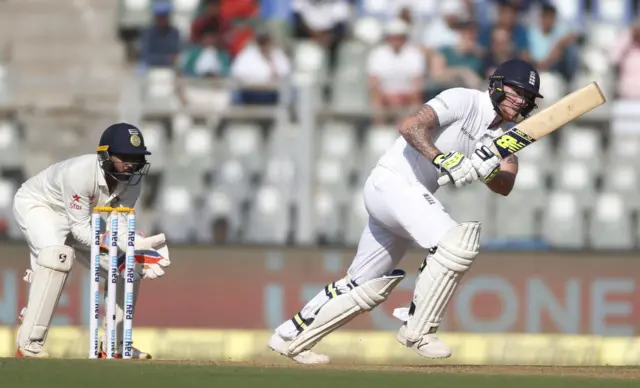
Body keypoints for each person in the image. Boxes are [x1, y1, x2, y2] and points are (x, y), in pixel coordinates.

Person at [267, 58, 543, 364]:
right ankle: (418, 329)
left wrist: (489, 171)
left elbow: (505, 184)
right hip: (392, 183)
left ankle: (290, 336)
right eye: (516, 92)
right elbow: (410, 126)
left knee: (362, 286)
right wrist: (443, 159)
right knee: (457, 243)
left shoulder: (506, 136)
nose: (520, 102)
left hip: (408, 198)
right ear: (497, 85)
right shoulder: (463, 99)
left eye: (527, 98)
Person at [12, 123, 171, 358]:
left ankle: (115, 346)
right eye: (125, 157)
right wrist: (120, 243)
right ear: (106, 155)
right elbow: (79, 230)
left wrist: (135, 249)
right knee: (57, 257)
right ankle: (28, 344)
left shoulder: (133, 180)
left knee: (129, 266)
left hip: (84, 218)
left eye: (136, 158)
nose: (131, 164)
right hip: (42, 207)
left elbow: (122, 222)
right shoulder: (80, 172)